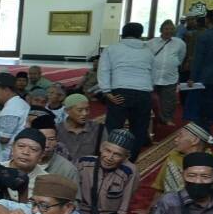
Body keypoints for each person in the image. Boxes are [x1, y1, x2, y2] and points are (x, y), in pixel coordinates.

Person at [98, 22, 155, 150]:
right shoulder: (148, 51)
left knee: (113, 126)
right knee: (140, 128)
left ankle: (110, 154)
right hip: (143, 93)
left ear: (123, 33)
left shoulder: (112, 48)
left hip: (120, 92)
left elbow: (104, 70)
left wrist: (107, 92)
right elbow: (154, 74)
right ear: (140, 35)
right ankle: (131, 158)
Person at [74, 129, 139, 214]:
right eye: (107, 151)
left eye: (117, 154)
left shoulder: (130, 171)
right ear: (101, 148)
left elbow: (124, 206)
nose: (109, 157)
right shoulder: (83, 163)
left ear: (126, 157)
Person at [156, 122, 213, 197]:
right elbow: (160, 188)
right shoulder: (173, 156)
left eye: (180, 136)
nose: (176, 140)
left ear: (195, 140)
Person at [150, 19, 186, 126]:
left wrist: (171, 63)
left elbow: (180, 58)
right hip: (152, 77)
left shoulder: (180, 43)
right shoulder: (151, 42)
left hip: (170, 77)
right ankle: (150, 118)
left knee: (169, 101)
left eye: (171, 29)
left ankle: (167, 119)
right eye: (166, 29)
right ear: (161, 30)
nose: (168, 31)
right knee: (148, 99)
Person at [54, 92, 101, 165]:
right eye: (80, 110)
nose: (85, 113)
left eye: (87, 109)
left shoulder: (98, 129)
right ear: (67, 111)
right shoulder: (56, 129)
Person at [0, 73, 29, 151]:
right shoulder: (18, 103)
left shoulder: (11, 109)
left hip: (9, 154)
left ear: (7, 90)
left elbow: (4, 138)